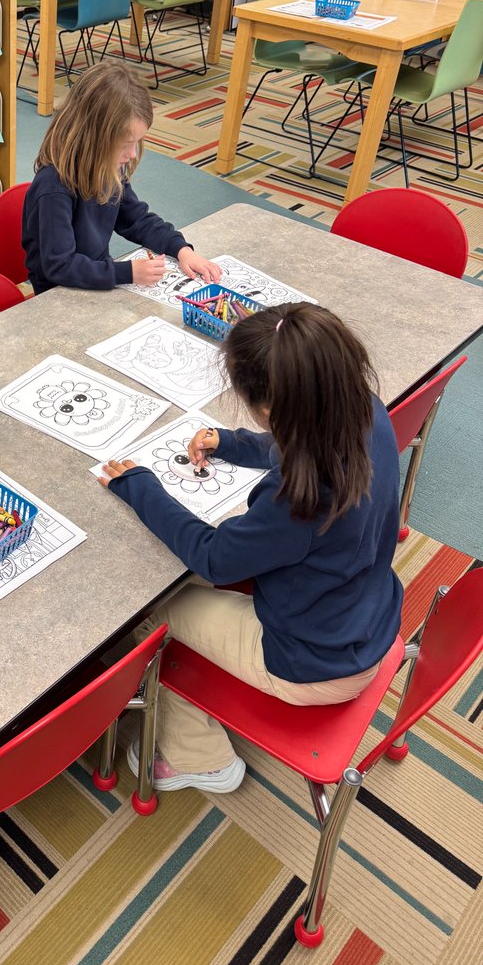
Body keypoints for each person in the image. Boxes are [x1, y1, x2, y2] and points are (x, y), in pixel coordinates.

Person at [99, 303, 403, 793]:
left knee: (154, 607)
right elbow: (297, 442)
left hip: (312, 662)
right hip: (367, 616)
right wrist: (232, 443)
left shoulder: (297, 498)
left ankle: (199, 758)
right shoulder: (364, 409)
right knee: (196, 585)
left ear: (267, 411)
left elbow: (214, 557)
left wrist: (140, 487)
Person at [21, 62, 222, 294]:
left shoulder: (105, 168)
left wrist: (181, 249)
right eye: (125, 144)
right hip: (58, 295)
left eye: (136, 142)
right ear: (93, 138)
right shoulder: (53, 188)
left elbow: (138, 219)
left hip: (95, 284)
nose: (133, 154)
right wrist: (127, 273)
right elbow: (60, 266)